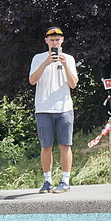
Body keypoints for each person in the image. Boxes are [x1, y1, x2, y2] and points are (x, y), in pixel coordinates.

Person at [30, 26, 79, 194]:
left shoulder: (69, 59)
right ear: (46, 41)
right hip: (43, 108)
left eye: (57, 40)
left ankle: (65, 180)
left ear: (62, 40)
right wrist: (46, 63)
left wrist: (65, 65)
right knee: (46, 146)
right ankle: (47, 181)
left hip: (64, 108)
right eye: (52, 40)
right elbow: (32, 80)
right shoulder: (38, 58)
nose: (55, 42)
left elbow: (73, 84)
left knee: (65, 145)